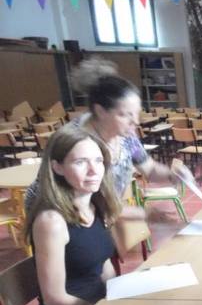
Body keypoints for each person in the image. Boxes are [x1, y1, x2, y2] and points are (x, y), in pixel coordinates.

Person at [25, 57, 191, 213]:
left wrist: (173, 175)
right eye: (125, 115)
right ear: (100, 111)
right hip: (57, 215)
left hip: (96, 216)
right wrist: (134, 215)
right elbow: (73, 203)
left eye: (136, 113)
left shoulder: (126, 137)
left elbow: (150, 168)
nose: (135, 121)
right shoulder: (74, 140)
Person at [25, 124, 121, 305]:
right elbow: (54, 298)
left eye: (98, 161)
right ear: (57, 167)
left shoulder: (96, 206)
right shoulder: (51, 222)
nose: (94, 170)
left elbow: (103, 263)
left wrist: (118, 297)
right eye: (80, 162)